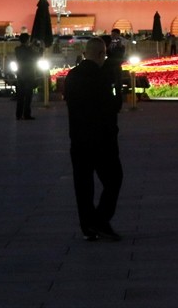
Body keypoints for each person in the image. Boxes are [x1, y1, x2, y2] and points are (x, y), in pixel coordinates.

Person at [64, 37, 122, 242]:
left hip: (78, 138)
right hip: (102, 139)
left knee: (83, 184)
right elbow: (111, 107)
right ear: (100, 54)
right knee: (114, 179)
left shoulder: (72, 75)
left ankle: (87, 227)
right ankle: (100, 219)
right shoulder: (102, 76)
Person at [13, 33, 38, 120]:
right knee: (28, 96)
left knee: (20, 96)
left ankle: (18, 114)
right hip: (29, 74)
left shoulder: (17, 49)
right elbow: (37, 56)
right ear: (27, 40)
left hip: (20, 74)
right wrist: (39, 48)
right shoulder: (29, 50)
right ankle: (26, 114)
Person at [103, 30, 127, 112]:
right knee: (108, 86)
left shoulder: (121, 45)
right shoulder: (108, 43)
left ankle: (118, 106)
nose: (112, 36)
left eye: (114, 35)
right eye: (112, 34)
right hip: (109, 68)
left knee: (118, 87)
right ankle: (110, 105)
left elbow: (121, 54)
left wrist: (119, 45)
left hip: (116, 68)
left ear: (118, 35)